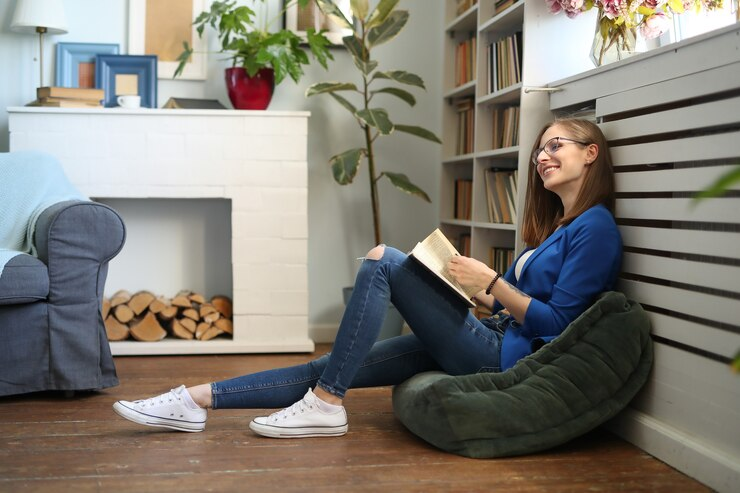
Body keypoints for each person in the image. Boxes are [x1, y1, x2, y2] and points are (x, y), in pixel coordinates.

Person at [113, 117, 622, 437]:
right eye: (539, 149)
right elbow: (500, 303)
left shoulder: (596, 229)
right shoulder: (556, 227)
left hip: (500, 356)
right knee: (332, 363)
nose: (542, 156)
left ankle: (328, 404)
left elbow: (558, 323)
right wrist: (460, 284)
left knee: (383, 259)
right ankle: (194, 399)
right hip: (486, 332)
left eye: (556, 145)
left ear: (591, 152)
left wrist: (491, 282)